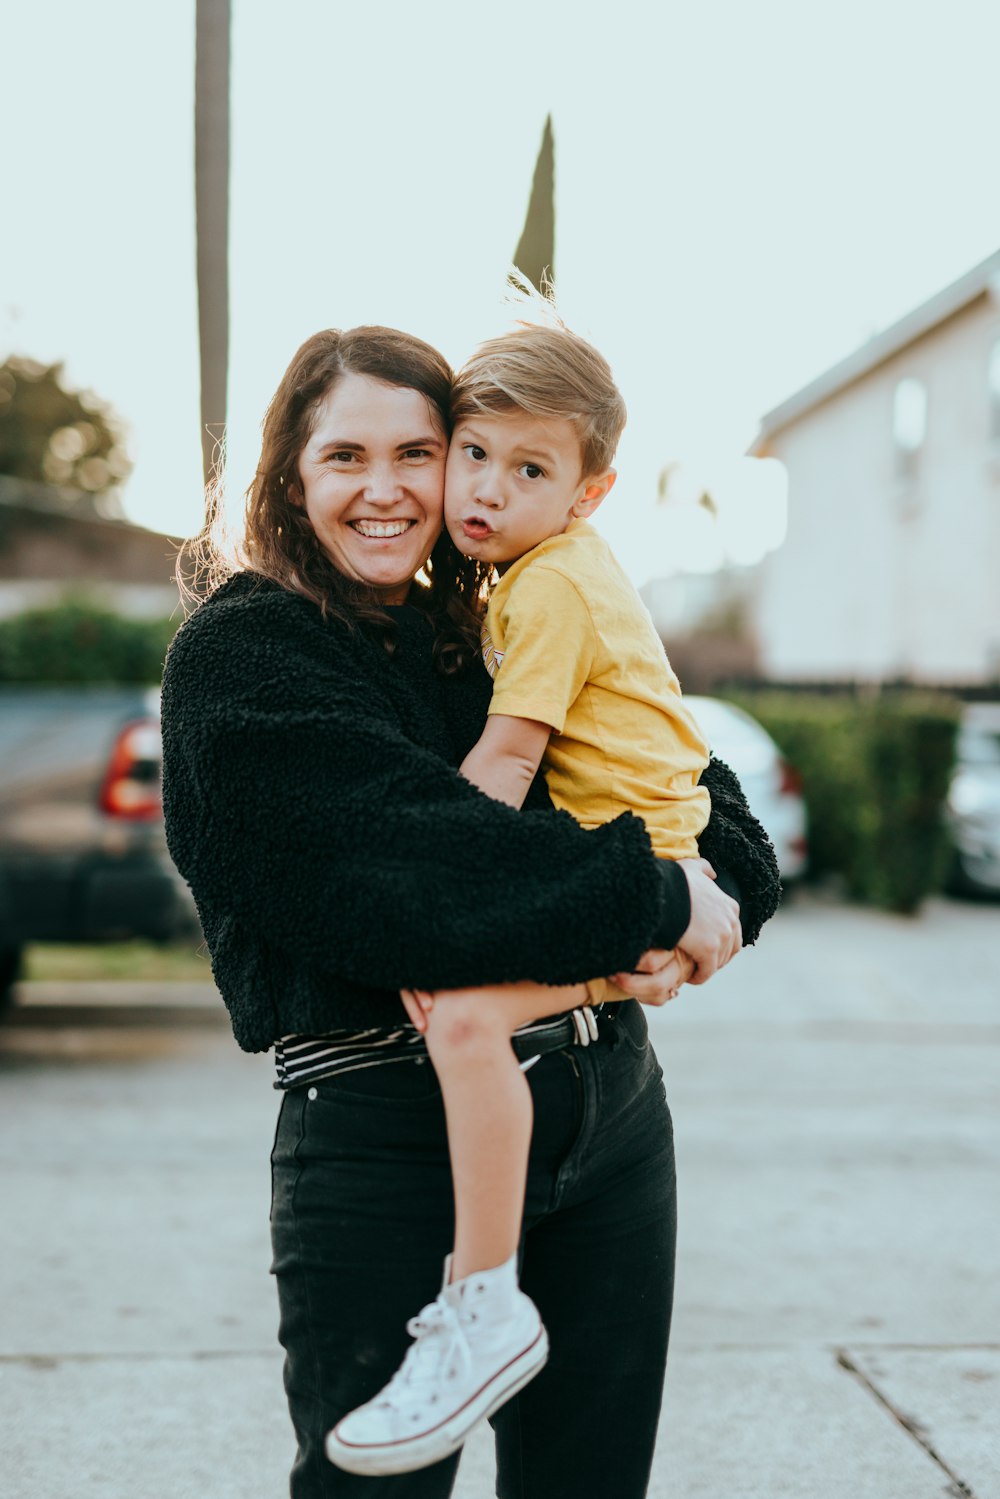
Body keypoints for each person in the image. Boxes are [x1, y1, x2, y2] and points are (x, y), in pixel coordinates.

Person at [160, 324, 779, 1499]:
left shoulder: (498, 610)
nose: (386, 489)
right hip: (384, 1131)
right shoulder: (242, 655)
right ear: (290, 473)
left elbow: (708, 805)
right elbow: (413, 883)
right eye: (345, 455)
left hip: (612, 1113)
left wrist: (706, 893)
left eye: (420, 451)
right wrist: (658, 900)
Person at [327, 319, 717, 1477]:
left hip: (632, 866)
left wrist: (430, 907)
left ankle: (483, 1297)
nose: (486, 488)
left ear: (589, 492)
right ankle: (484, 1296)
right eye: (476, 453)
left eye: (530, 469)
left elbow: (501, 765)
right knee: (467, 1014)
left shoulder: (547, 589)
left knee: (459, 1014)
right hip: (638, 862)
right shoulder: (533, 574)